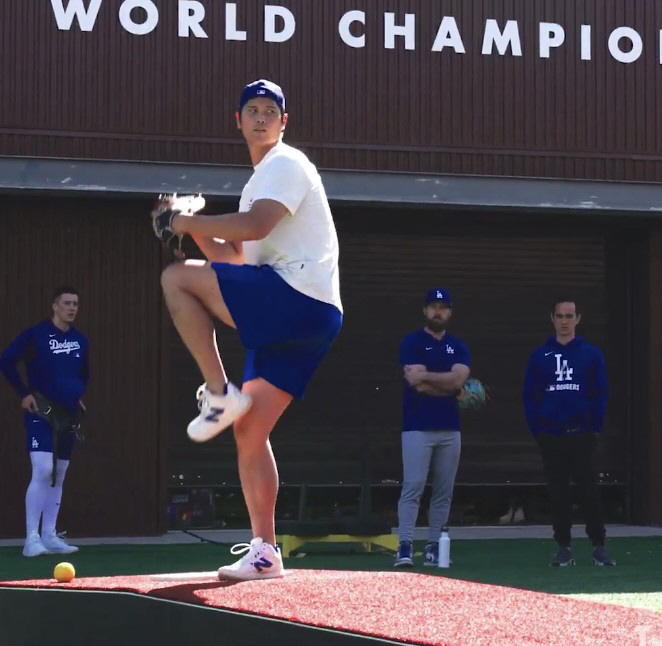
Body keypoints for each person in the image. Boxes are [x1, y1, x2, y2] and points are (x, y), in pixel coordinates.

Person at [157, 79, 343, 581]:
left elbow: (256, 226)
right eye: (251, 110)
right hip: (302, 313)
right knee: (249, 428)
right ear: (236, 121)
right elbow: (235, 257)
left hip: (298, 298)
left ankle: (218, 393)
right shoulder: (255, 181)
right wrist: (191, 230)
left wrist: (184, 224)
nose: (260, 118)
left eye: (270, 111)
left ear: (284, 122)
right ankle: (266, 551)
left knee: (175, 280)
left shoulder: (286, 163)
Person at [523, 298, 615, 566]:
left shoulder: (591, 354)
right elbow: (530, 396)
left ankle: (599, 546)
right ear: (552, 319)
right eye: (560, 316)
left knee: (589, 491)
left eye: (569, 315)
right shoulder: (540, 356)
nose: (564, 321)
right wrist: (538, 430)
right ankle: (563, 547)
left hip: (582, 434)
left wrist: (594, 428)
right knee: (558, 493)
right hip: (551, 435)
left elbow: (600, 393)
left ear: (578, 318)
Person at [0, 287, 88, 557]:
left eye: (75, 304)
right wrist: (23, 393)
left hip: (69, 414)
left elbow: (83, 373)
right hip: (40, 410)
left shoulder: (80, 340)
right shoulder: (35, 335)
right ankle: (31, 538)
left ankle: (50, 535)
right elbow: (6, 361)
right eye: (66, 303)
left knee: (59, 473)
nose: (71, 308)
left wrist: (78, 397)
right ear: (55, 306)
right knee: (41, 469)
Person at [394, 288, 470, 567]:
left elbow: (458, 379)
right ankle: (404, 545)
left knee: (443, 489)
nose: (438, 312)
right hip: (417, 426)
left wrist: (429, 378)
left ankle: (435, 546)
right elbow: (417, 383)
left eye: (443, 307)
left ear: (450, 312)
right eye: (433, 306)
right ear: (425, 311)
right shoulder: (411, 342)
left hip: (450, 427)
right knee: (413, 486)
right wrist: (449, 385)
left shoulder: (458, 345)